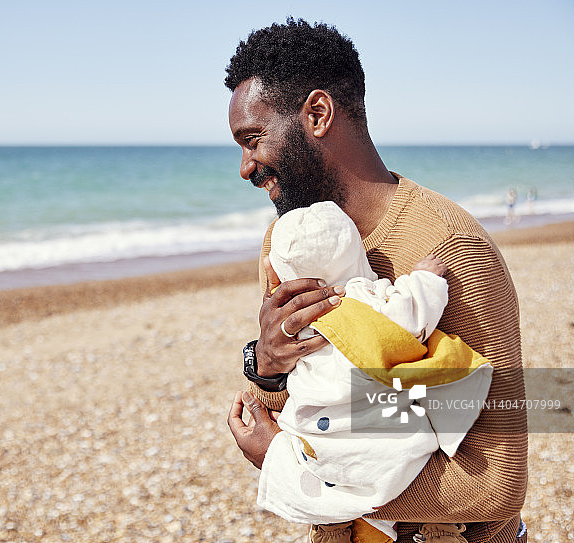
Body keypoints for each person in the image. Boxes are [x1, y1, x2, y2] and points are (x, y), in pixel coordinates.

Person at [223, 19, 527, 543]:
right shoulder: (283, 242)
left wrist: (296, 469)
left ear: (318, 114)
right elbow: (302, 409)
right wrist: (267, 366)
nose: (245, 167)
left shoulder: (453, 248)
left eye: (253, 140)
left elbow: (496, 484)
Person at [257, 200, 493, 543]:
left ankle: (331, 526)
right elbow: (413, 316)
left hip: (322, 445)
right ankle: (438, 527)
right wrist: (425, 279)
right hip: (387, 451)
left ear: (279, 273)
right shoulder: (367, 298)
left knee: (302, 444)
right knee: (420, 421)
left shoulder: (290, 323)